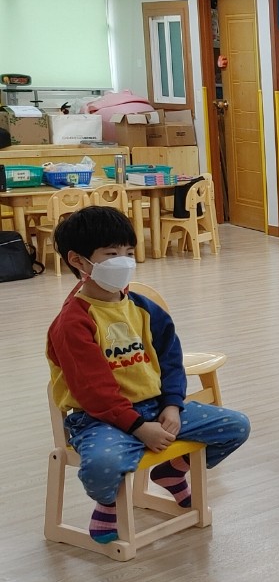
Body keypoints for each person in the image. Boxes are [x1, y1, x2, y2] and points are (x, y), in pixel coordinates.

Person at [45, 206, 251, 544]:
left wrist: (172, 406)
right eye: (111, 254)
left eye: (128, 252)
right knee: (102, 465)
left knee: (236, 426)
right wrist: (139, 428)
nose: (125, 261)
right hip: (98, 419)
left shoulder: (142, 307)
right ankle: (108, 503)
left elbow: (171, 360)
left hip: (155, 407)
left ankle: (172, 472)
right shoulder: (73, 322)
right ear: (78, 261)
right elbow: (93, 390)